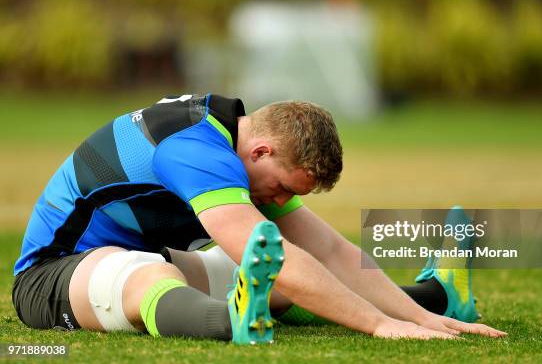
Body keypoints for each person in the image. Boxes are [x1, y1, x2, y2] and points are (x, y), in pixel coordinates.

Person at [12, 93, 506, 344]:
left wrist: (419, 317)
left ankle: (442, 296)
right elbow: (257, 244)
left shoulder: (234, 142)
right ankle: (230, 320)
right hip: (51, 276)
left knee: (290, 275)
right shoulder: (195, 151)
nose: (280, 199)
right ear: (264, 150)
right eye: (285, 187)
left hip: (139, 253)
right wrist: (377, 326)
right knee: (152, 275)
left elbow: (328, 251)